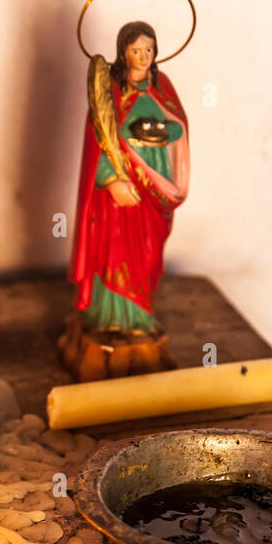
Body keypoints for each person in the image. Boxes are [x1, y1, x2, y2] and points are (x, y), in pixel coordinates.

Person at [69, 20, 189, 336]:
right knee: (115, 245)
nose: (143, 56)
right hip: (119, 185)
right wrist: (111, 180)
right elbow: (99, 139)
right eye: (136, 50)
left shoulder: (161, 85)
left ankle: (139, 314)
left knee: (147, 250)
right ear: (123, 52)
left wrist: (162, 132)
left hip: (155, 182)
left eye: (149, 49)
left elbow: (179, 123)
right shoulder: (109, 89)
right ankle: (106, 316)